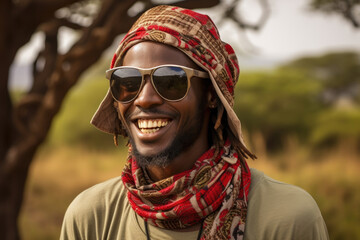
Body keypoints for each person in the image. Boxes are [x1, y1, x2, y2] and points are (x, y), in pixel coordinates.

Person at [60, 5, 329, 240]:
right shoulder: (91, 217)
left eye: (170, 81)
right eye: (128, 81)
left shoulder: (286, 218)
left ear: (211, 94)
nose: (144, 99)